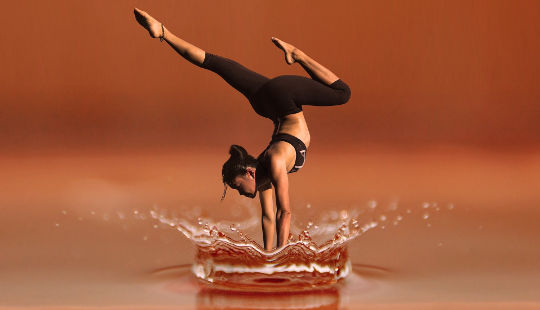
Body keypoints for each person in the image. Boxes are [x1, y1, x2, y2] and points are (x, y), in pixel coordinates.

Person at [134, 8, 351, 251]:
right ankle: (162, 32)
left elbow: (285, 212)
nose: (239, 193)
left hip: (283, 98)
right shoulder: (264, 176)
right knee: (215, 63)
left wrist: (281, 258)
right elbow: (268, 218)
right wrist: (269, 257)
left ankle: (296, 54)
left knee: (343, 94)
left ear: (249, 172)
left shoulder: (276, 160)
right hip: (267, 103)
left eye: (236, 186)